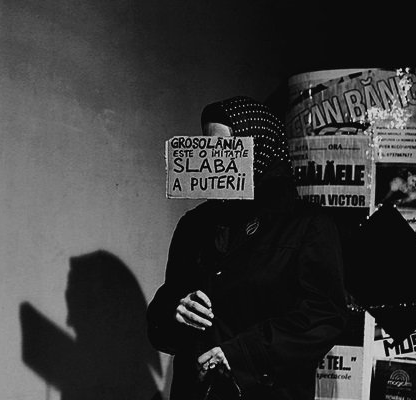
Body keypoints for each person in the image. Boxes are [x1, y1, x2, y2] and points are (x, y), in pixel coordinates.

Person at [147, 96, 355, 400]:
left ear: (257, 149)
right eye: (207, 145)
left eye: (224, 147)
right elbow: (164, 313)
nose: (213, 158)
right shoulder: (194, 225)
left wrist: (242, 355)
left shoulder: (308, 225)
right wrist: (175, 311)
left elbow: (324, 316)